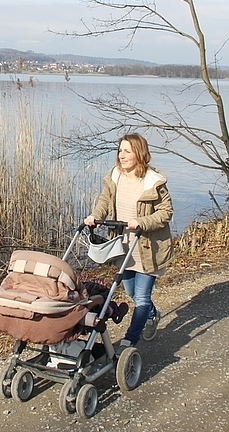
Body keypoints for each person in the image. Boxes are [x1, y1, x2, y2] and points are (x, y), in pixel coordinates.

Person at [84, 133, 174, 351]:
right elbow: (105, 200)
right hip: (123, 246)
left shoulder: (154, 182)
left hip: (146, 247)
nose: (121, 155)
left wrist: (142, 221)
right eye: (120, 150)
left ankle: (130, 340)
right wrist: (95, 216)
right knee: (132, 293)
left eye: (127, 151)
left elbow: (166, 212)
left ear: (139, 153)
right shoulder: (115, 176)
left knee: (141, 298)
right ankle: (153, 314)